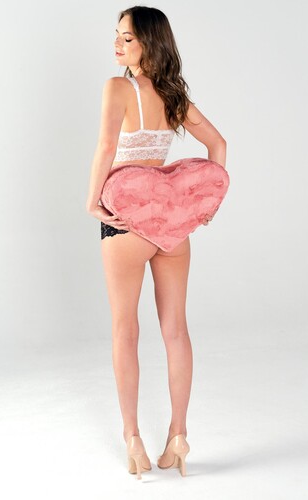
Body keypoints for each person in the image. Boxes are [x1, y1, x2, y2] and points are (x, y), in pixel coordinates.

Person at [85, 6, 227, 479]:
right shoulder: (173, 96)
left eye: (127, 38)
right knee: (176, 330)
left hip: (126, 221)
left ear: (149, 42)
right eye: (117, 36)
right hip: (171, 227)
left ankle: (133, 439)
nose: (117, 44)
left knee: (125, 330)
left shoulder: (117, 88)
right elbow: (218, 145)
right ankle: (179, 435)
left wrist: (91, 201)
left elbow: (107, 148)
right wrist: (204, 203)